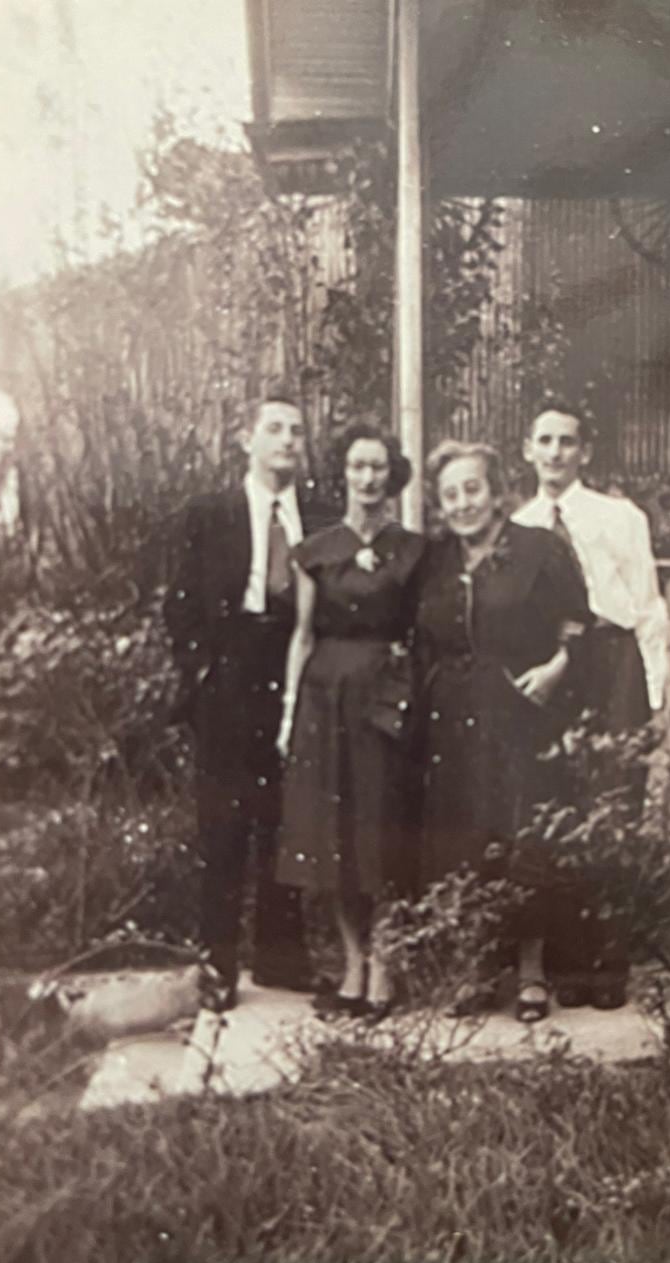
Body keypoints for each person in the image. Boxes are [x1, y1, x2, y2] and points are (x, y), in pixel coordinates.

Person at [163, 384, 334, 1013]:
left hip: (296, 670)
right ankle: (218, 964)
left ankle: (282, 957)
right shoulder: (208, 514)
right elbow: (177, 605)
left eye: (296, 430)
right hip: (230, 677)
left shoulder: (320, 517)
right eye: (275, 429)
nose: (288, 440)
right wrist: (202, 673)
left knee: (287, 820)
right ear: (247, 439)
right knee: (224, 825)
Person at [415, 439, 591, 1023]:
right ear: (439, 504)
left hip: (521, 712)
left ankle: (531, 970)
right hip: (454, 720)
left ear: (496, 493)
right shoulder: (435, 561)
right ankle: (473, 966)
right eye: (450, 494)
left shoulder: (539, 550)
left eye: (473, 489)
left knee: (527, 839)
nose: (463, 503)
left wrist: (557, 671)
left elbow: (580, 629)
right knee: (462, 840)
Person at [513, 403, 668, 1008]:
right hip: (558, 668)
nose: (555, 453)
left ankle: (608, 964)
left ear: (585, 452)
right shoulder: (521, 526)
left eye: (567, 442)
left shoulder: (619, 517)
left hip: (613, 659)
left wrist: (654, 696)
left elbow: (650, 607)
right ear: (528, 449)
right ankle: (567, 960)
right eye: (545, 441)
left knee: (615, 801)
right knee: (563, 803)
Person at [275, 424, 424, 1020]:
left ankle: (385, 964)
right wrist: (289, 711)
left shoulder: (415, 550)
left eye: (378, 468)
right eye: (358, 467)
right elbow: (303, 634)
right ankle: (353, 961)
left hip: (385, 694)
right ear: (344, 473)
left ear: (392, 476)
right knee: (333, 834)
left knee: (380, 828)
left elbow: (420, 630)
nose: (368, 478)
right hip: (326, 696)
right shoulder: (315, 549)